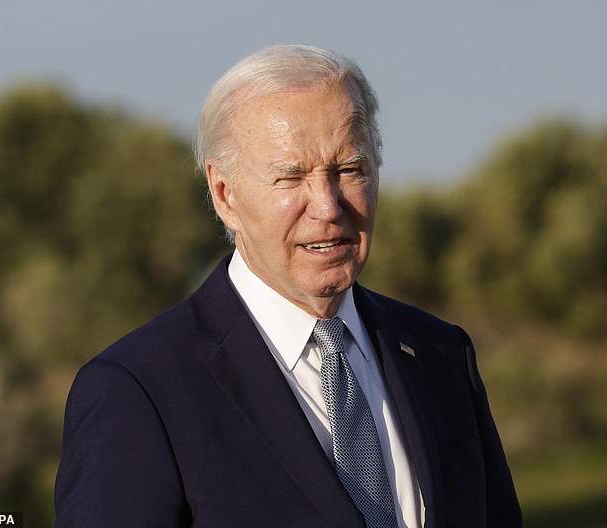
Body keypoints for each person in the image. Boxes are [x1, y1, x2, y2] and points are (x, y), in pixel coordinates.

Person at [54, 45, 522, 527]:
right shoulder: (138, 391)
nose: (327, 206)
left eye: (349, 170)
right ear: (224, 194)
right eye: (290, 177)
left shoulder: (441, 354)